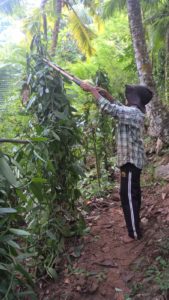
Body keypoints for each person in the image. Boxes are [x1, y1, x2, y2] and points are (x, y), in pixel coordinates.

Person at [80, 82, 153, 242]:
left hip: (130, 162)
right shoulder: (134, 112)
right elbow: (119, 107)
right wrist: (108, 95)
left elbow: (113, 110)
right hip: (131, 161)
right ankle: (135, 226)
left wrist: (93, 91)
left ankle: (134, 233)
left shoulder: (133, 113)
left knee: (127, 196)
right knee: (132, 193)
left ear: (135, 99)